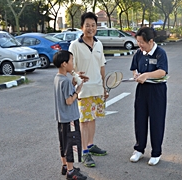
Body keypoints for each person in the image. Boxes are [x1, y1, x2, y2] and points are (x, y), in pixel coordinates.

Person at [68, 12, 108, 168]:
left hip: (97, 89)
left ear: (96, 27)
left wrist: (104, 87)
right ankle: (84, 152)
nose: (90, 28)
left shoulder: (99, 44)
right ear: (81, 27)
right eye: (87, 25)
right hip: (83, 90)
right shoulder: (75, 45)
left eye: (93, 25)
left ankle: (90, 145)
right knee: (84, 121)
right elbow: (70, 67)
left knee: (92, 119)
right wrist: (75, 75)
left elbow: (101, 66)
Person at [129, 26, 168, 166]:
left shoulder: (160, 53)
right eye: (138, 41)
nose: (140, 45)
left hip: (157, 91)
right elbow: (134, 68)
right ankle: (139, 149)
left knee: (156, 121)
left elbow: (162, 72)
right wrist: (136, 75)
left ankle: (156, 152)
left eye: (142, 42)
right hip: (142, 90)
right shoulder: (139, 53)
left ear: (151, 41)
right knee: (140, 119)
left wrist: (147, 75)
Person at [53, 50, 87, 180]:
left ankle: (65, 166)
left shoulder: (58, 78)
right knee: (71, 143)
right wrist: (78, 90)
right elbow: (69, 101)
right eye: (71, 61)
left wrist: (73, 82)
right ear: (64, 64)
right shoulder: (65, 81)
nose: (73, 63)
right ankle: (71, 172)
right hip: (70, 118)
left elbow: (64, 94)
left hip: (61, 118)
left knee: (63, 142)